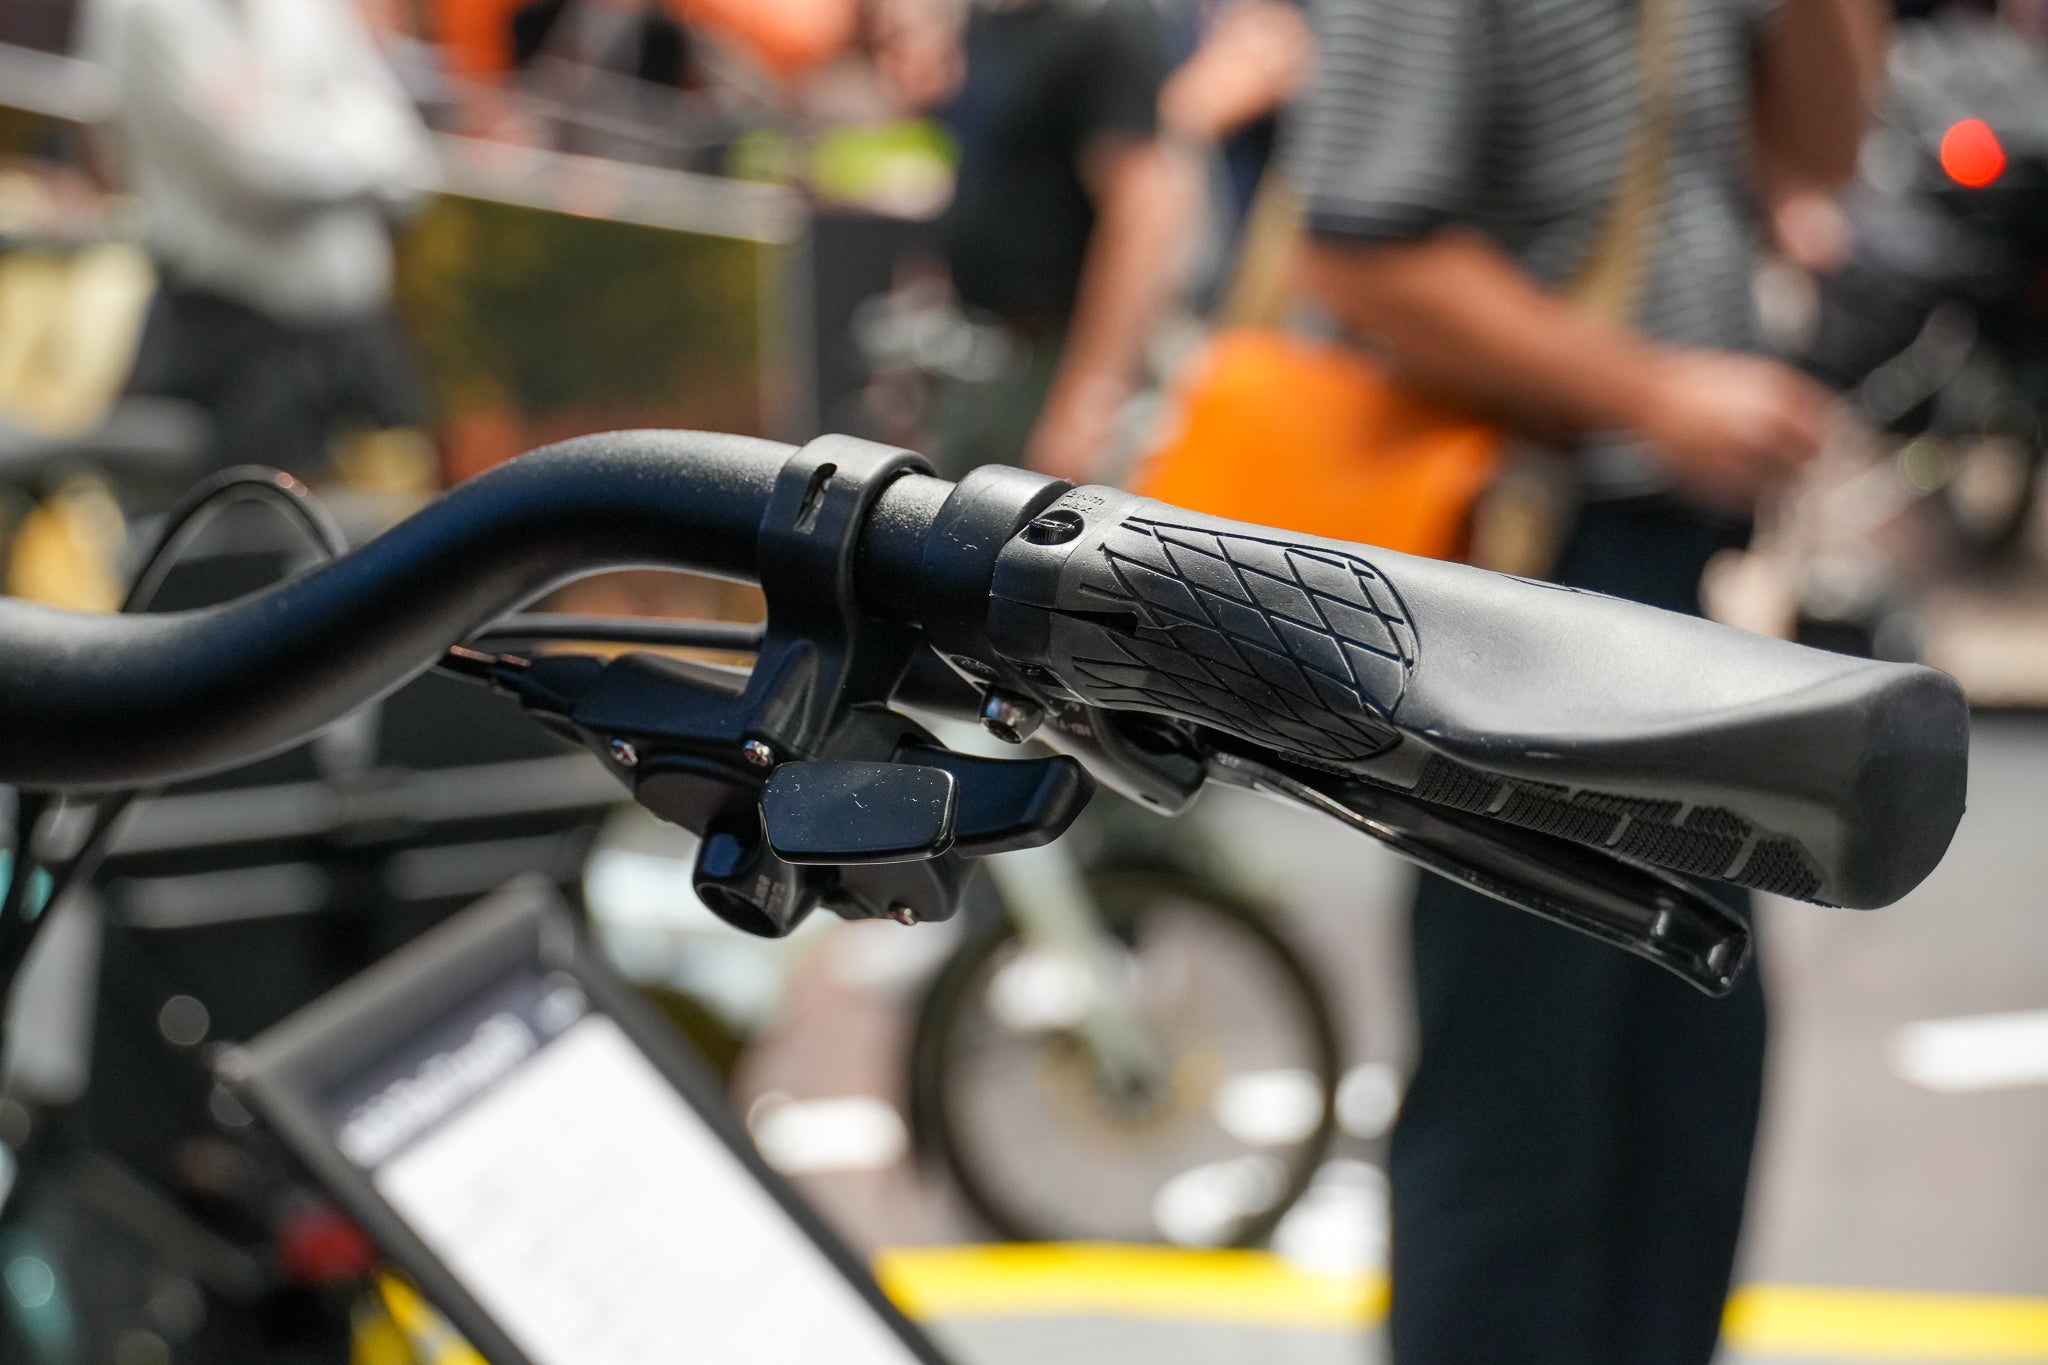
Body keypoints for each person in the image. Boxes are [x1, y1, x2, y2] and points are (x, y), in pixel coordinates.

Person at [1288, 1, 1885, 1361]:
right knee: (1522, 1097)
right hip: (1514, 570)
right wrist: (1651, 393)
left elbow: (1818, 151)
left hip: (1662, 566)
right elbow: (1360, 249)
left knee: (1680, 1090)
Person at [82, 0, 436, 478]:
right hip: (231, 344)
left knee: (406, 517)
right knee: (245, 519)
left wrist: (287, 129)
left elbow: (411, 160)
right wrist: (355, 137)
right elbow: (262, 176)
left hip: (357, 343)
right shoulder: (149, 12)